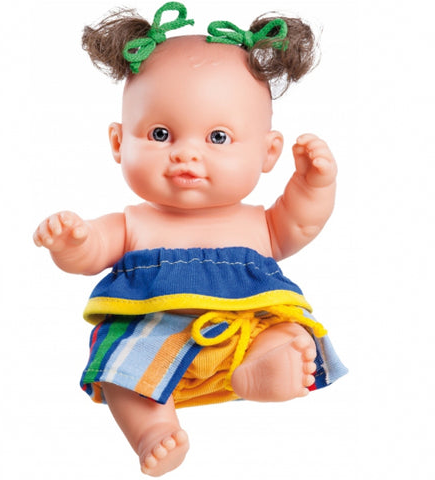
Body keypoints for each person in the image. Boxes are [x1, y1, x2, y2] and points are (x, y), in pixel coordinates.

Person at [33, 3, 347, 476]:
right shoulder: (134, 222)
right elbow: (93, 250)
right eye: (161, 134)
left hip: (244, 328)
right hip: (150, 334)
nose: (186, 154)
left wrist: (313, 185)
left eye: (218, 138)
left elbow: (299, 225)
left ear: (268, 153)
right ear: (119, 142)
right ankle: (153, 430)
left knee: (287, 331)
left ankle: (261, 368)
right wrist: (72, 242)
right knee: (118, 368)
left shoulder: (260, 223)